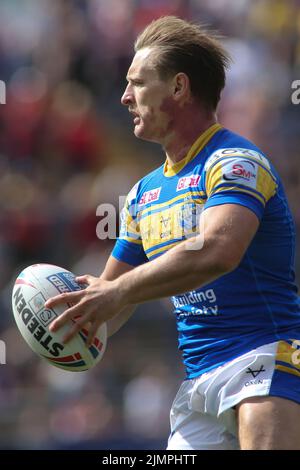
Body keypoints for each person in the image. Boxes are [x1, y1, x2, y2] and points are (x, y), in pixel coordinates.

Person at [45, 16, 300, 450]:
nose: (124, 97)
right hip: (197, 385)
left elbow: (218, 250)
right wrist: (75, 322)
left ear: (179, 87)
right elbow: (113, 295)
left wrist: (117, 293)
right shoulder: (144, 194)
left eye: (137, 84)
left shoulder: (236, 162)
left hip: (264, 361)